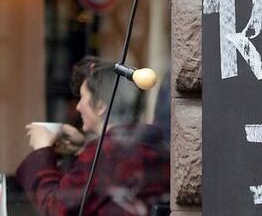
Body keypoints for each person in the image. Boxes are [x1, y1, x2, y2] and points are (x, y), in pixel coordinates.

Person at [16, 61, 170, 215]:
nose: (78, 107)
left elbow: (55, 208)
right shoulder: (154, 145)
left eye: (82, 97)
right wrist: (83, 147)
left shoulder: (106, 153)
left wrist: (42, 150)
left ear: (100, 106)